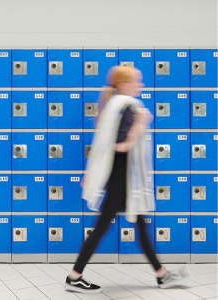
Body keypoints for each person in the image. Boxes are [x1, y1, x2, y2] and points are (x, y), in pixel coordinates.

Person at [65, 66, 190, 294]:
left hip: (122, 176)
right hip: (121, 177)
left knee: (135, 224)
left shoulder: (117, 105)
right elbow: (120, 146)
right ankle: (74, 276)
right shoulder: (126, 107)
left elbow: (104, 142)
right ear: (123, 84)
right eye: (136, 81)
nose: (140, 85)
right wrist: (140, 125)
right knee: (105, 226)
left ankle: (162, 274)